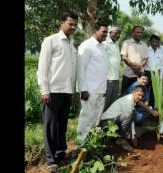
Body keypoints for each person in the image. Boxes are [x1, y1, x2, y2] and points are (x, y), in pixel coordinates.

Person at [36, 11, 78, 171]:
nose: (73, 27)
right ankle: (50, 158)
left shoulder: (71, 44)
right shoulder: (51, 41)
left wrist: (72, 90)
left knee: (62, 125)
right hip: (52, 91)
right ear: (61, 23)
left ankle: (60, 154)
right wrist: (44, 90)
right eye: (70, 23)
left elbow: (71, 69)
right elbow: (42, 68)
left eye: (75, 24)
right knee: (50, 126)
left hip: (66, 91)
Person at [77, 22, 109, 142]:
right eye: (103, 32)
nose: (106, 34)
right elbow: (80, 69)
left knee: (96, 119)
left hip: (100, 89)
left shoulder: (102, 46)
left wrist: (104, 89)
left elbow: (102, 70)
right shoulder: (86, 46)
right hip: (89, 90)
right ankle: (81, 144)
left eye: (106, 32)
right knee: (86, 118)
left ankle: (91, 144)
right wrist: (83, 89)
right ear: (95, 30)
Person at [100, 85, 146, 151]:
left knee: (130, 115)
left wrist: (133, 135)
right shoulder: (127, 101)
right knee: (128, 115)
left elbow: (131, 119)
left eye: (142, 96)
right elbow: (129, 120)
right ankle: (120, 139)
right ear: (133, 92)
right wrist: (132, 137)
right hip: (106, 123)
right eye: (139, 95)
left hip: (112, 122)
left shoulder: (131, 99)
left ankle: (118, 138)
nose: (140, 97)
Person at [121, 25, 148, 95]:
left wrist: (139, 67)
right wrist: (133, 66)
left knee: (138, 96)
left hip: (140, 76)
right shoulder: (126, 42)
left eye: (141, 32)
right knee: (126, 95)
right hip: (128, 75)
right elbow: (124, 56)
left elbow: (145, 58)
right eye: (137, 32)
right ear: (132, 33)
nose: (139, 34)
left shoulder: (144, 45)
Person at [103, 26, 122, 111]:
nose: (117, 35)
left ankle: (108, 121)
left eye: (119, 34)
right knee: (105, 101)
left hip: (116, 78)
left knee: (113, 101)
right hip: (107, 78)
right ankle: (100, 121)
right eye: (115, 33)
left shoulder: (116, 44)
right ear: (109, 32)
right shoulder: (105, 43)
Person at [144, 34, 163, 108]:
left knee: (154, 92)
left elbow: (162, 65)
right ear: (150, 42)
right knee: (145, 91)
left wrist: (161, 76)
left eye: (156, 42)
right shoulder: (146, 50)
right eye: (153, 41)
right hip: (147, 73)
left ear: (158, 42)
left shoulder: (160, 51)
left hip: (157, 74)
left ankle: (152, 107)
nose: (155, 43)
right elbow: (143, 62)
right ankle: (145, 108)